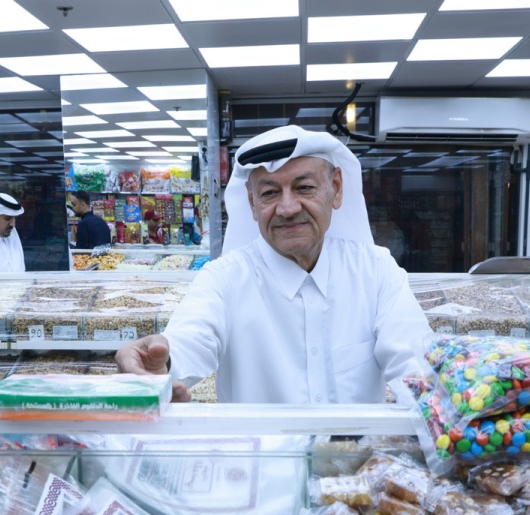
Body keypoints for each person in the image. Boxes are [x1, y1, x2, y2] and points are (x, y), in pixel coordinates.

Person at [115, 125, 429, 404]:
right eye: (269, 192)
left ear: (336, 187)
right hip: (260, 469)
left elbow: (416, 366)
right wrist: (158, 363)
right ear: (252, 203)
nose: (288, 208)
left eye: (304, 187)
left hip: (361, 468)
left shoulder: (375, 271)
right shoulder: (224, 280)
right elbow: (189, 340)